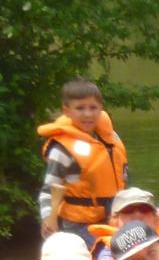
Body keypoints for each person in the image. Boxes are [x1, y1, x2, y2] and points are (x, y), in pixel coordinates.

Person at [36, 79, 128, 239]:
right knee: (103, 255)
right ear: (67, 111)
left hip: (113, 217)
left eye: (93, 108)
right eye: (80, 108)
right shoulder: (62, 149)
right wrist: (48, 219)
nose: (88, 114)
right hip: (79, 225)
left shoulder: (110, 139)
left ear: (101, 108)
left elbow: (124, 177)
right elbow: (48, 192)